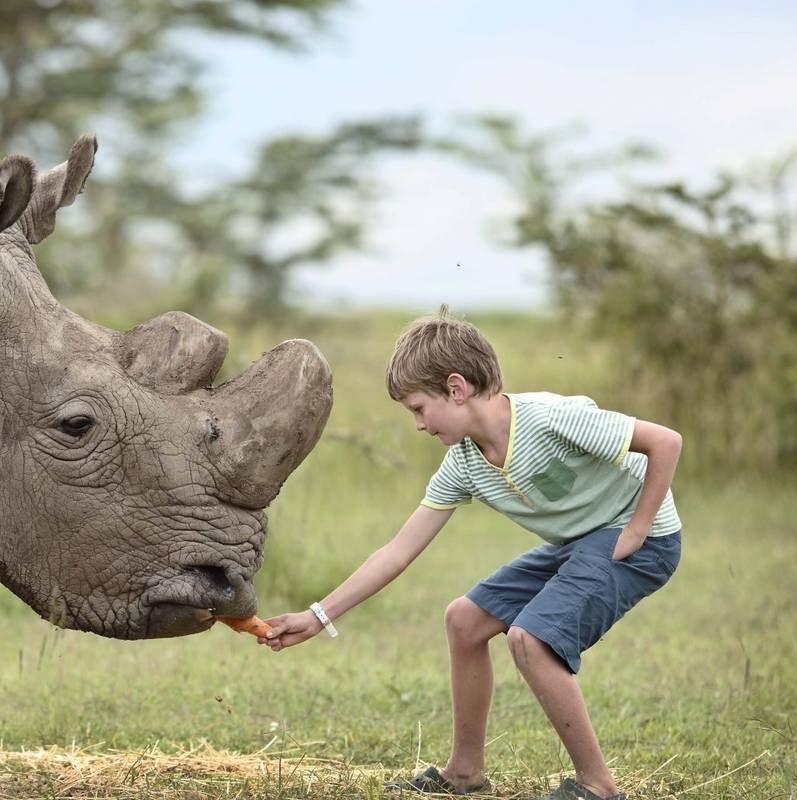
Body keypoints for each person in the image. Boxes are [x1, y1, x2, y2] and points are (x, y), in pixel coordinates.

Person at [260, 307, 684, 800]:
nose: (417, 424)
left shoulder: (550, 419)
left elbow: (665, 443)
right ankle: (464, 773)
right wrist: (318, 615)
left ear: (456, 389)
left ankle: (599, 787)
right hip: (578, 544)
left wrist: (636, 528)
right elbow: (398, 550)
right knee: (464, 620)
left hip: (643, 541)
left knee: (530, 639)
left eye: (418, 408)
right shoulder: (463, 463)